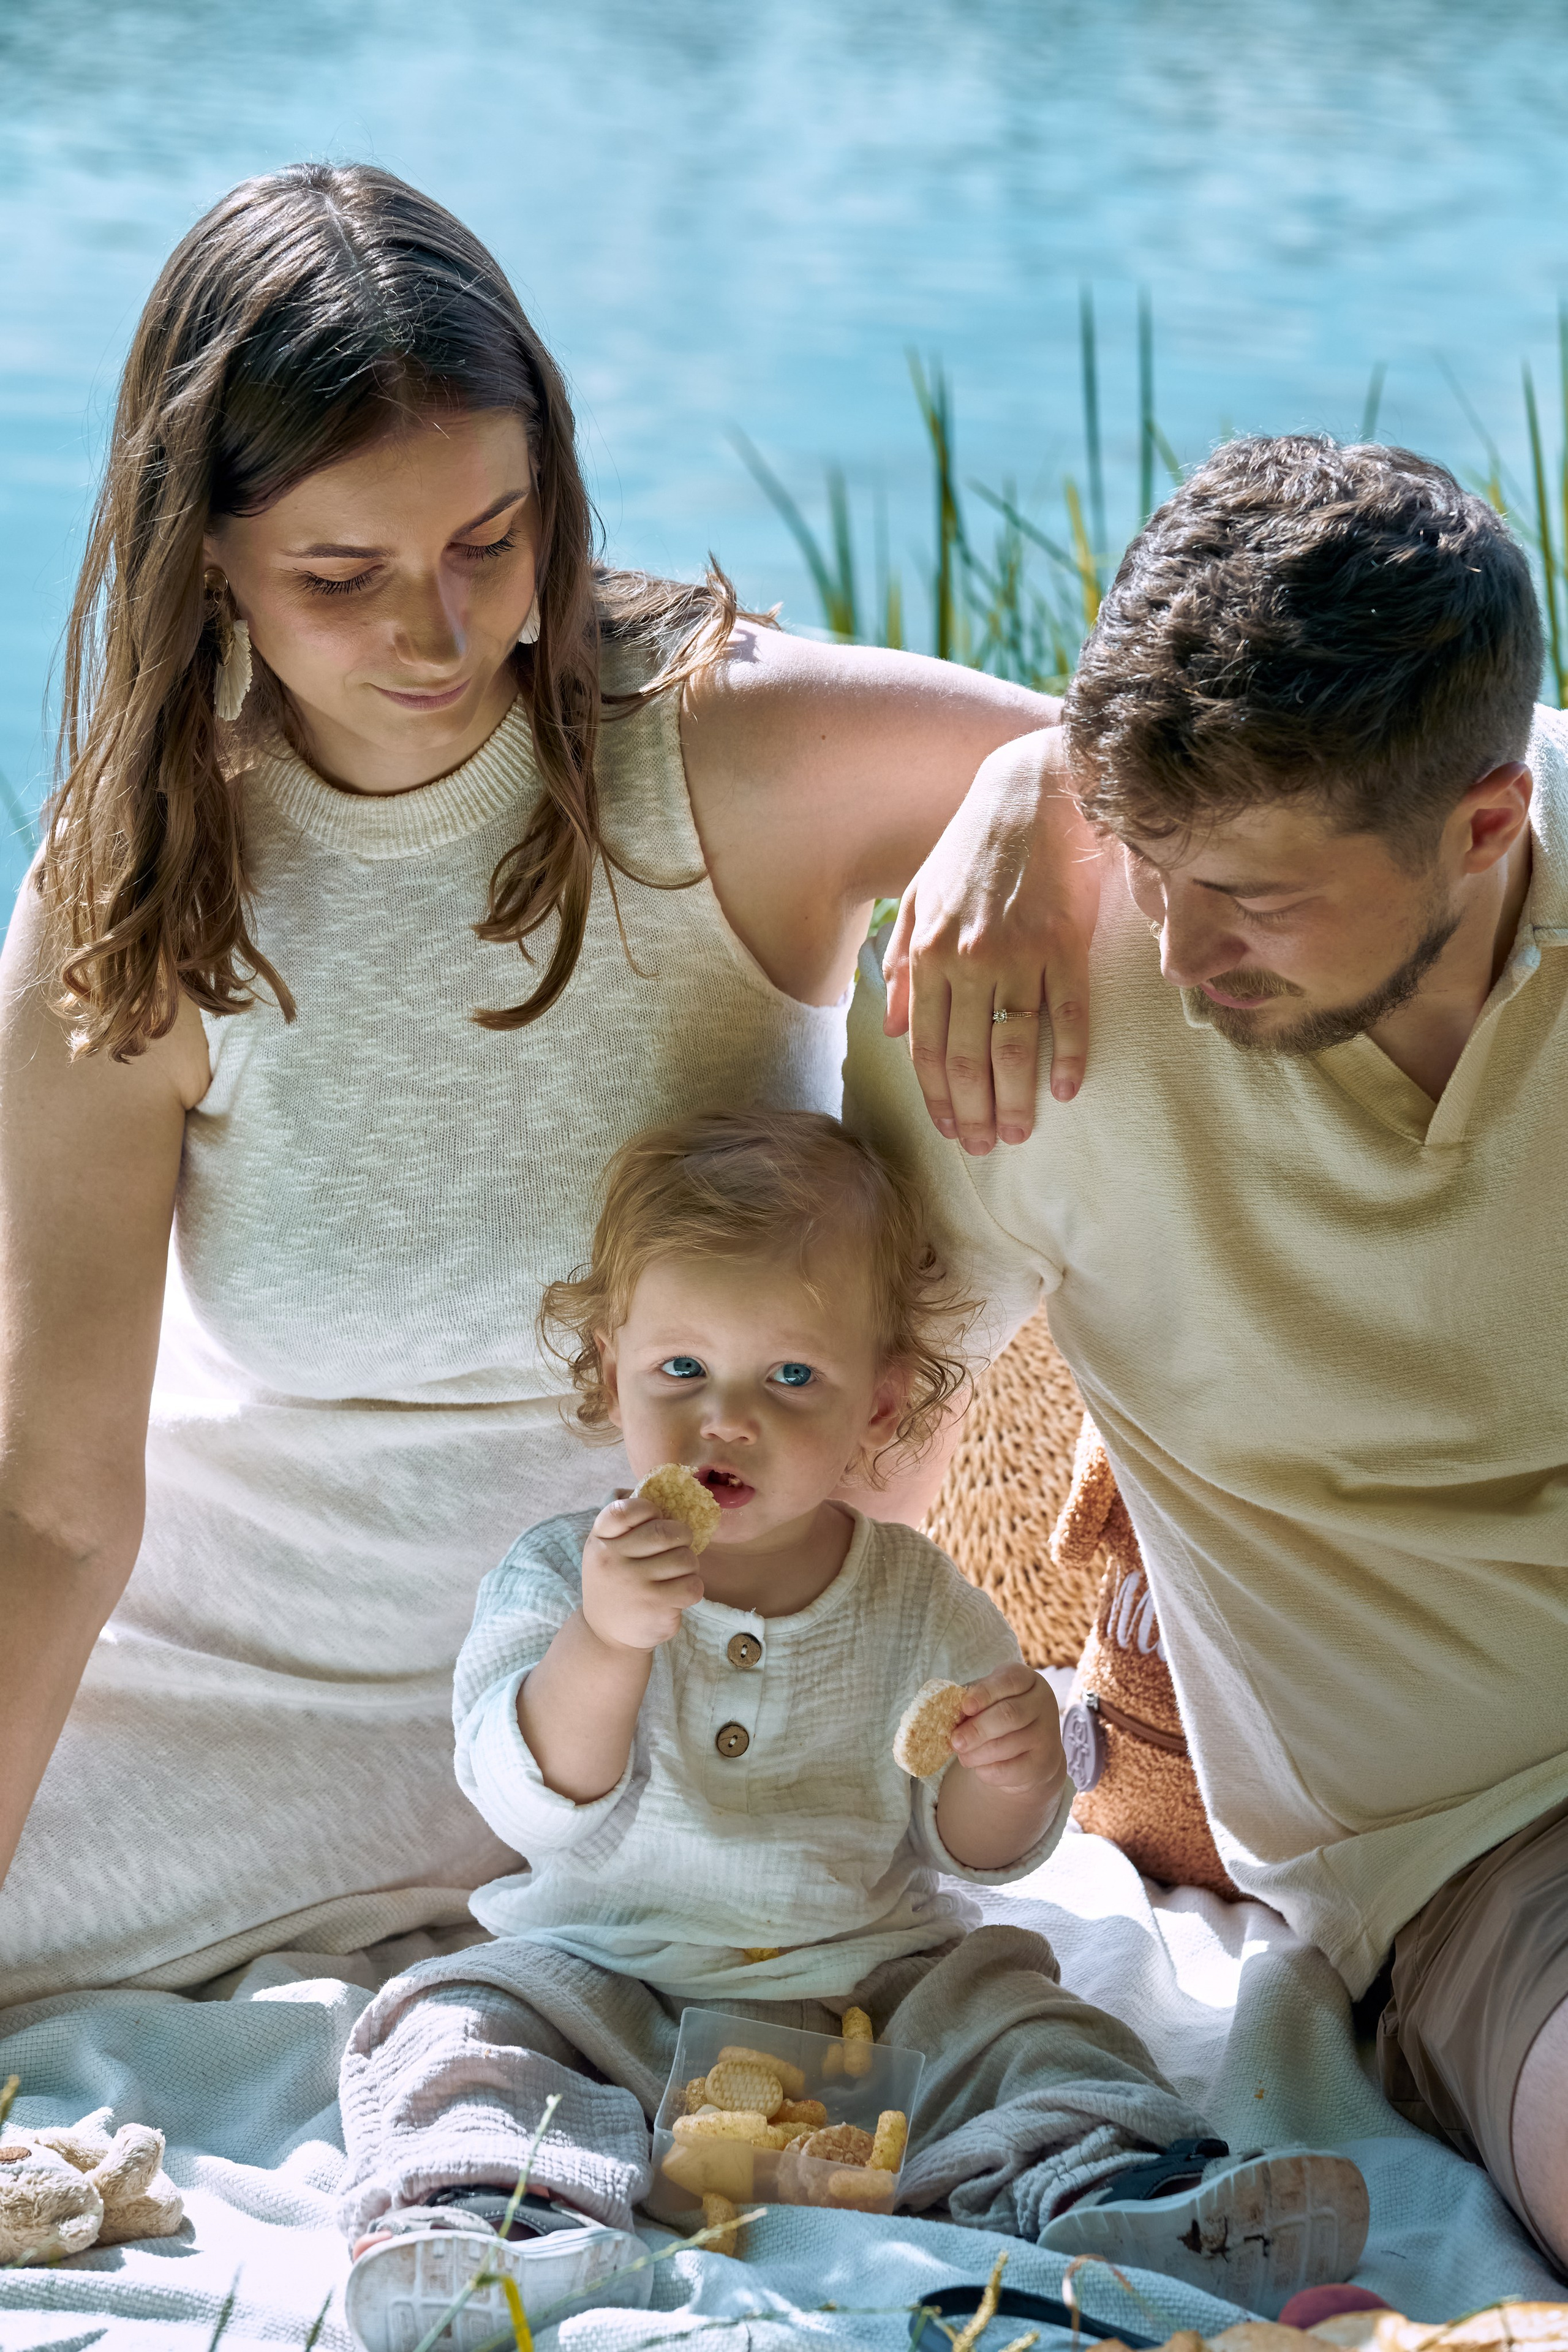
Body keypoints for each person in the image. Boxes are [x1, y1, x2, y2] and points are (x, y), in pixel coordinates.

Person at [0, 160, 1096, 2003]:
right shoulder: (142, 887)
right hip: (247, 1683)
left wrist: (1021, 803)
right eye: (340, 577)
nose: (438, 634)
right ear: (208, 559)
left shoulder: (715, 753)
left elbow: (1148, 785)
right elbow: (52, 1508)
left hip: (694, 1683)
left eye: (488, 543)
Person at [849, 436, 1568, 2269]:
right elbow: (842, 1454)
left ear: (1487, 824)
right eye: (1149, 859)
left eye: (1249, 895)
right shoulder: (1031, 1006)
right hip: (1498, 1853)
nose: (1177, 947)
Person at [336, 1110, 1366, 2350]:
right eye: (680, 1370)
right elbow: (529, 1800)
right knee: (456, 2015)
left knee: (1032, 2021)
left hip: (870, 1999)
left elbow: (976, 1851)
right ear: (611, 1369)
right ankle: (494, 2213)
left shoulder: (917, 1599)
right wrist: (604, 1644)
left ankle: (1121, 2193)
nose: (726, 1419)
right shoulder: (561, 1574)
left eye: (789, 1379)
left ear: (878, 1405)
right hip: (611, 1984)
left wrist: (1011, 1771)